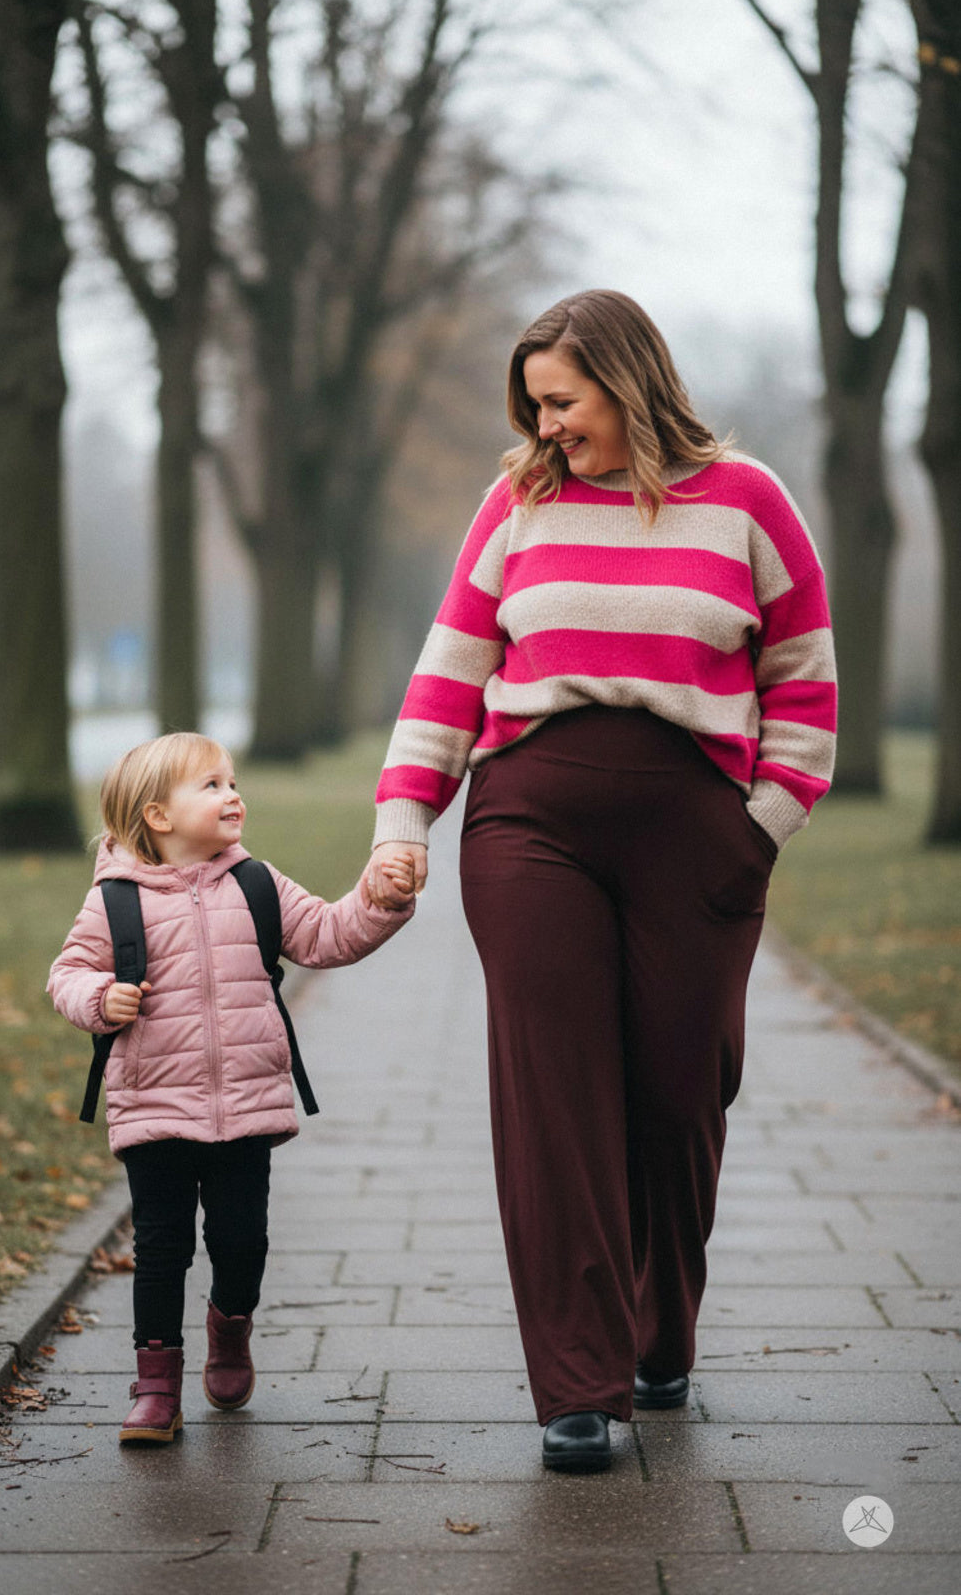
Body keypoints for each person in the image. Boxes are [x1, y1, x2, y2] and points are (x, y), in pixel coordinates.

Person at [366, 290, 836, 1473]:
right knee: (554, 1096)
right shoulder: (517, 503)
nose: (549, 427)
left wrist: (760, 827)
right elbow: (450, 672)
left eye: (563, 401)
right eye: (534, 406)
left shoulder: (747, 502)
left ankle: (659, 1332)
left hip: (698, 833)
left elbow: (806, 681)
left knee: (681, 1090)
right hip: (532, 825)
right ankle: (576, 1385)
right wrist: (403, 817)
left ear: (628, 383)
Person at [48, 732, 415, 1445]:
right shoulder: (114, 902)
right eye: (211, 786)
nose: (232, 795)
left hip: (247, 1104)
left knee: (242, 1240)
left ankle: (229, 1326)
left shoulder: (256, 884)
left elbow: (328, 935)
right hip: (154, 1103)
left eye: (233, 782)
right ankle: (155, 1387)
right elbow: (67, 972)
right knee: (160, 1248)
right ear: (158, 816)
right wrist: (101, 999)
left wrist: (379, 898)